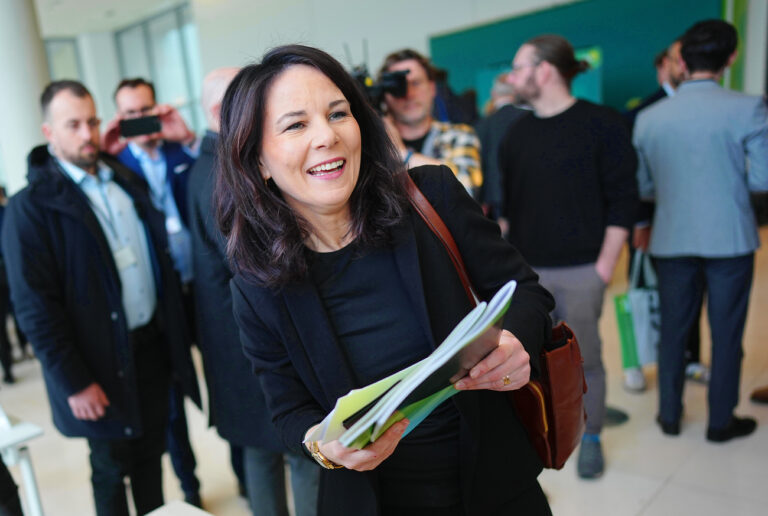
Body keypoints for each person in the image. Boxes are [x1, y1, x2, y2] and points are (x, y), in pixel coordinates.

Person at [216, 45, 555, 516]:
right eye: (296, 125)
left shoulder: (431, 195)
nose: (327, 136)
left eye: (338, 113)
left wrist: (516, 340)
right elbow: (288, 412)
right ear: (257, 162)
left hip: (496, 482)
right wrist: (322, 446)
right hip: (371, 500)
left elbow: (526, 292)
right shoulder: (257, 287)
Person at [1, 80, 200, 515]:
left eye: (92, 121)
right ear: (49, 132)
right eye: (72, 125)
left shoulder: (123, 180)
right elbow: (35, 308)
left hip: (149, 349)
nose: (87, 134)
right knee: (110, 470)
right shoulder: (30, 208)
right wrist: (73, 380)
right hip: (95, 364)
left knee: (152, 459)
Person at [501, 35, 638, 479]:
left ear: (545, 70)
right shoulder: (514, 135)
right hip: (526, 277)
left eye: (520, 68)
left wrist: (603, 268)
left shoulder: (603, 124)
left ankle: (591, 436)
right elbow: (505, 211)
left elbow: (623, 202)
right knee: (527, 363)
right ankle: (543, 435)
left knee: (585, 359)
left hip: (583, 270)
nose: (513, 77)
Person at [188, 66, 319, 515]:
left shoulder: (210, 164)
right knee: (294, 454)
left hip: (238, 340)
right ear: (216, 110)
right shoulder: (218, 173)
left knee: (264, 453)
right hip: (249, 340)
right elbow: (250, 258)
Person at [634, 19, 768, 442]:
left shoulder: (648, 117)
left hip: (671, 236)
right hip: (730, 237)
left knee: (673, 329)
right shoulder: (748, 107)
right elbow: (763, 180)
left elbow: (644, 187)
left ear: (682, 61)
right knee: (726, 332)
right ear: (731, 59)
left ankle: (670, 415)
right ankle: (719, 421)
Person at [108, 78, 202, 506]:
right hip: (161, 299)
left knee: (226, 380)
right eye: (129, 113)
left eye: (145, 109)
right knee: (171, 399)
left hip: (201, 287)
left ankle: (242, 469)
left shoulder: (181, 151)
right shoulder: (117, 165)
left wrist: (186, 136)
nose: (139, 119)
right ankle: (190, 486)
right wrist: (108, 153)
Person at [623, 39, 709, 393]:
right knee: (638, 290)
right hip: (651, 220)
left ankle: (690, 357)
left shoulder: (706, 108)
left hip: (694, 221)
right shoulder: (642, 112)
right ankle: (634, 362)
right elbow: (632, 172)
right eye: (677, 58)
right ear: (664, 66)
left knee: (690, 290)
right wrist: (641, 220)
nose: (683, 64)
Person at [378, 49, 483, 198]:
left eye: (416, 83)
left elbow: (467, 190)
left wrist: (403, 155)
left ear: (432, 88)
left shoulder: (459, 135)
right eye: (398, 87)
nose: (409, 94)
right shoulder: (375, 147)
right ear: (385, 96)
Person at [474, 74, 526, 223]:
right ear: (515, 91)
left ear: (494, 94)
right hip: (529, 192)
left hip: (495, 200)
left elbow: (479, 165)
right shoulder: (529, 119)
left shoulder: (481, 125)